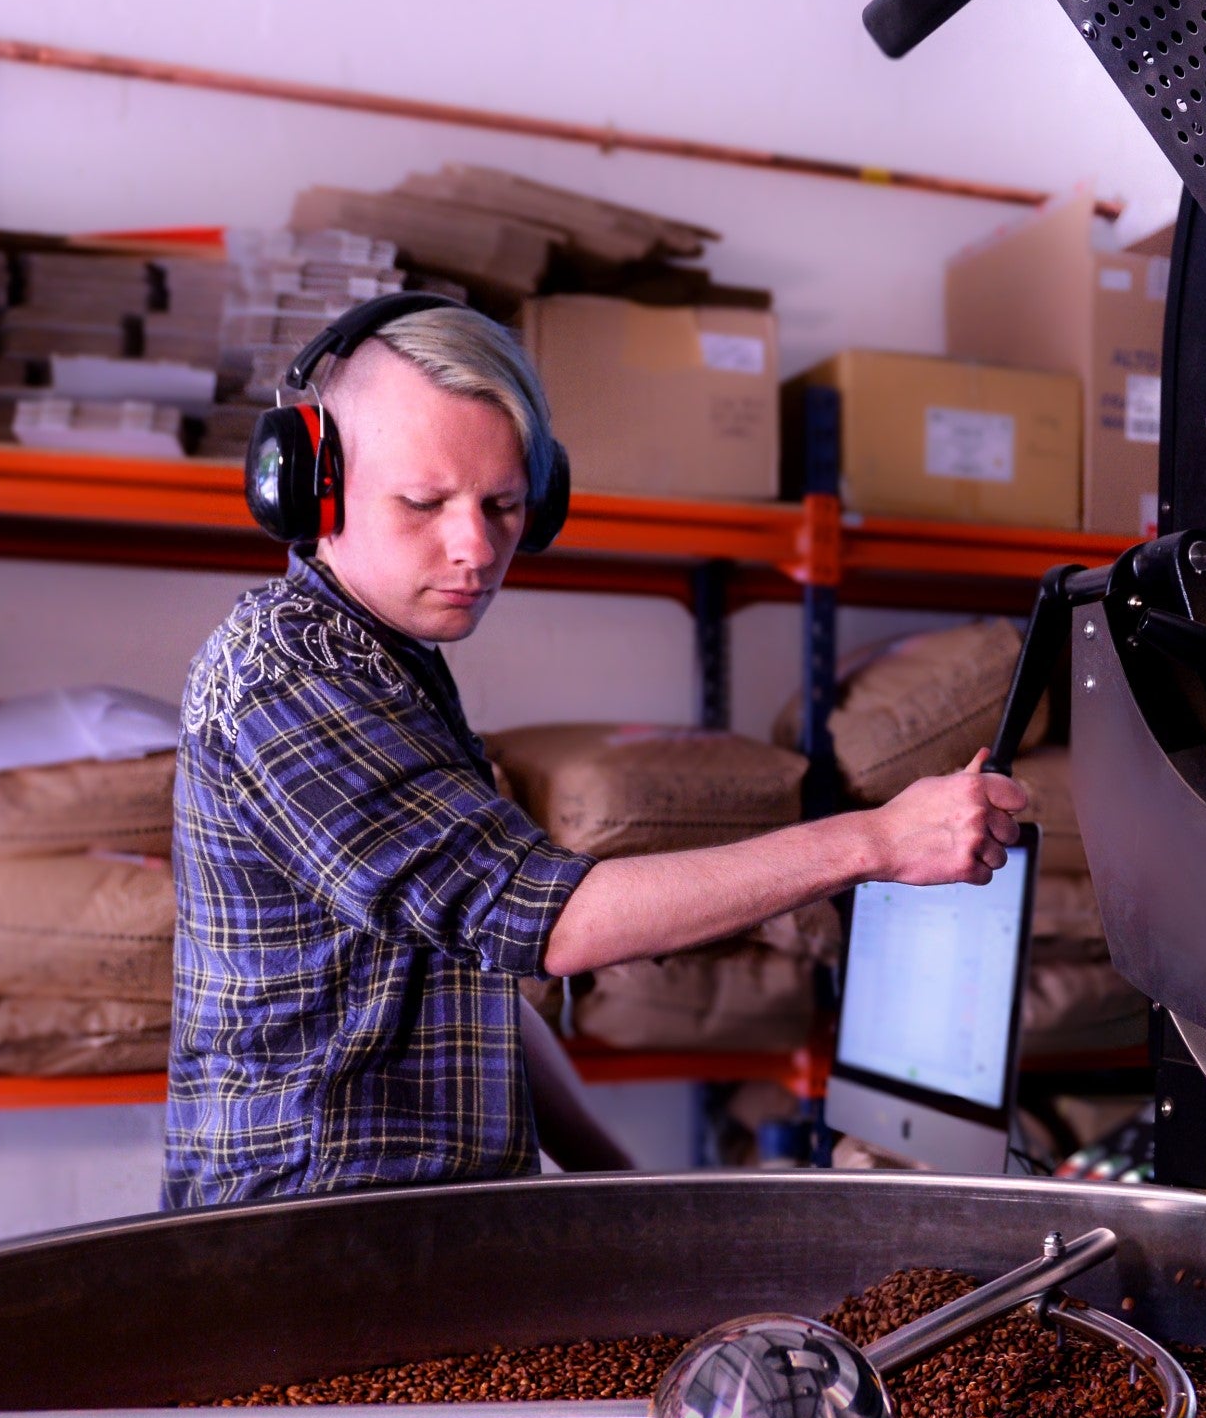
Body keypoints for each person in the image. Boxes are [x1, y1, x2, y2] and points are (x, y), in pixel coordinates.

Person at [162, 301, 1026, 1207]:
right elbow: (544, 924)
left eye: (503, 504)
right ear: (312, 488)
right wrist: (877, 844)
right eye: (423, 502)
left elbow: (466, 972)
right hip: (310, 1247)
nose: (475, 548)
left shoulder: (388, 663)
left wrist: (620, 1192)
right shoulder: (290, 672)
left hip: (415, 1231)